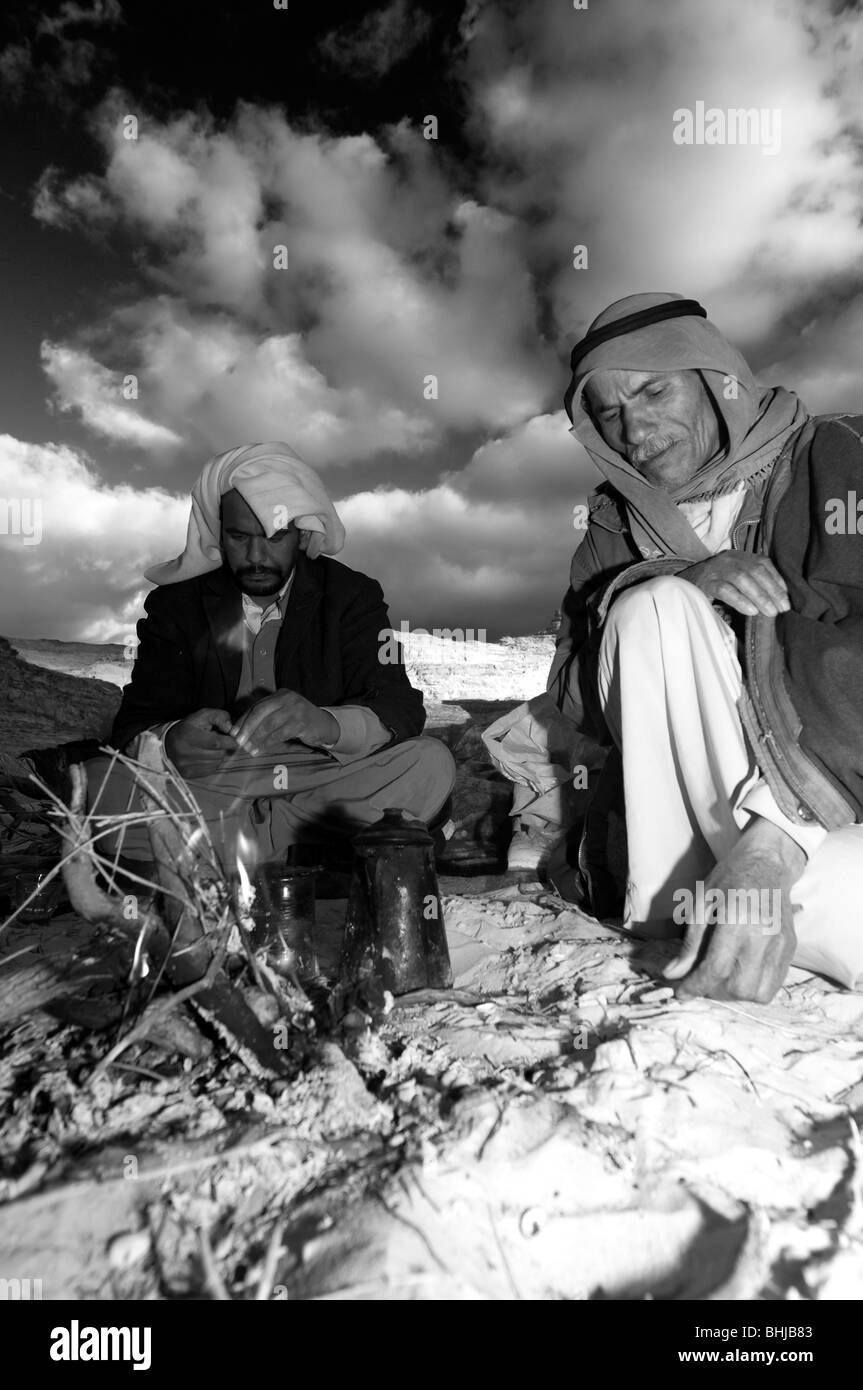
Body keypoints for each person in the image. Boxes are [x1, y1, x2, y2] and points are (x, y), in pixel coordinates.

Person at [484, 292, 863, 1002]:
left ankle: (742, 895)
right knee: (653, 606)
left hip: (830, 797)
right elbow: (574, 693)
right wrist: (669, 575)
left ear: (717, 381)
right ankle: (690, 909)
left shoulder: (839, 456)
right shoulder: (610, 528)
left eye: (653, 390)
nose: (634, 427)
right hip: (702, 809)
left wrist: (776, 839)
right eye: (607, 412)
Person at [87, 442, 455, 871]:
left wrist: (325, 724)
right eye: (239, 537)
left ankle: (226, 850)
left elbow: (399, 706)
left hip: (321, 772)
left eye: (275, 537)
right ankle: (309, 851)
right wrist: (170, 742)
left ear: (301, 532)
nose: (256, 557)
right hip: (215, 780)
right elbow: (133, 725)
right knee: (96, 787)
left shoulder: (350, 596)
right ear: (218, 532)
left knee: (428, 764)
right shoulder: (176, 605)